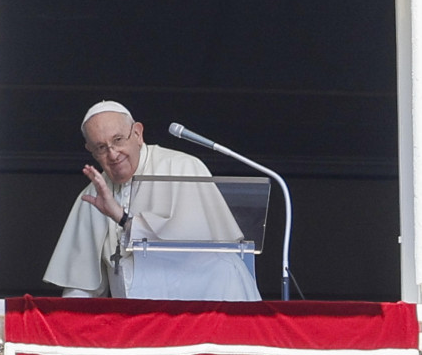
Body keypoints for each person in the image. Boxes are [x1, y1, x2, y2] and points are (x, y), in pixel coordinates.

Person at [43, 100, 261, 301]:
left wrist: (124, 219)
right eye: (101, 147)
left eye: (118, 140)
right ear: (90, 151)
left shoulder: (182, 168)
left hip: (204, 310)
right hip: (136, 320)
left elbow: (193, 253)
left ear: (138, 134)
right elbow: (83, 284)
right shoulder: (93, 195)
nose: (113, 154)